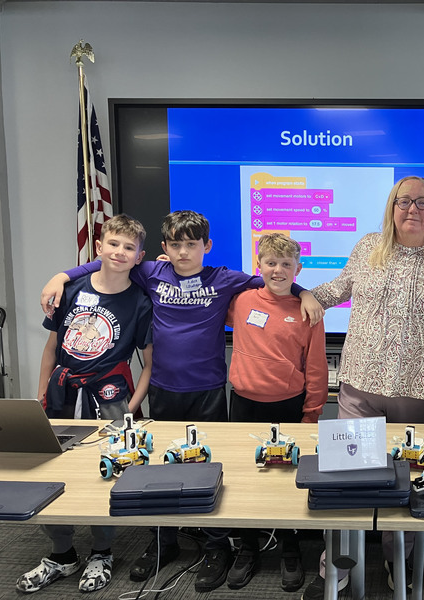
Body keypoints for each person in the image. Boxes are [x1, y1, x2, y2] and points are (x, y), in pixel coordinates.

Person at [39, 210, 324, 593]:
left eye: (192, 244)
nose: (184, 251)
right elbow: (113, 260)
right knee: (158, 468)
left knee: (208, 466)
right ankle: (163, 542)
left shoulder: (224, 280)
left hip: (208, 391)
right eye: (176, 244)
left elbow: (275, 280)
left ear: (206, 246)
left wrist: (306, 292)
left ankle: (215, 547)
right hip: (162, 388)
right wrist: (62, 275)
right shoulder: (150, 273)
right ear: (164, 249)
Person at [299, 176, 424, 599]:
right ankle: (337, 567)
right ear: (391, 207)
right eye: (404, 201)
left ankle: (399, 563)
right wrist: (306, 295)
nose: (413, 209)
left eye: (423, 203)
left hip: (419, 393)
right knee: (346, 476)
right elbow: (337, 288)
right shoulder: (367, 248)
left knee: (409, 480)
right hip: (360, 389)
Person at [18, 215, 153, 594]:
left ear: (139, 256)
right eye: (113, 244)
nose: (120, 252)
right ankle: (62, 553)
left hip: (110, 398)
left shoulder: (140, 302)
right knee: (48, 472)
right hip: (61, 395)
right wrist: (42, 393)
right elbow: (51, 348)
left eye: (129, 248)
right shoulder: (71, 290)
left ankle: (102, 551)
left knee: (105, 474)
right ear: (99, 247)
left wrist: (132, 408)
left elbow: (149, 364)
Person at [219, 232, 328, 591]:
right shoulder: (241, 301)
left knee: (286, 479)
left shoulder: (307, 310)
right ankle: (247, 548)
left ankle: (290, 548)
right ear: (259, 265)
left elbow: (315, 368)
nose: (278, 270)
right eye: (271, 262)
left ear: (298, 268)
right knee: (245, 478)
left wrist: (311, 414)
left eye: (286, 264)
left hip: (288, 406)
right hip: (245, 404)